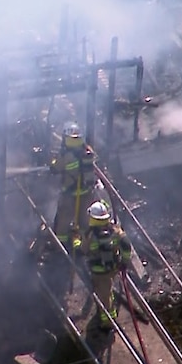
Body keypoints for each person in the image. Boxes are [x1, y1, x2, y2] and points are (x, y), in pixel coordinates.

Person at [74, 200, 133, 331]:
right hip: (113, 268)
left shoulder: (90, 235)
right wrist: (124, 262)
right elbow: (126, 245)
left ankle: (107, 323)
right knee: (107, 289)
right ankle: (108, 308)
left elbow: (82, 250)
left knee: (104, 298)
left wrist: (76, 240)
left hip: (98, 272)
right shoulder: (115, 229)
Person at [49, 122, 97, 253]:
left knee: (63, 220)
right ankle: (83, 247)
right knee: (84, 221)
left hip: (70, 193)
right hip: (86, 192)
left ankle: (61, 247)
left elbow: (56, 168)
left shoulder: (65, 154)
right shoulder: (86, 150)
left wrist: (52, 163)